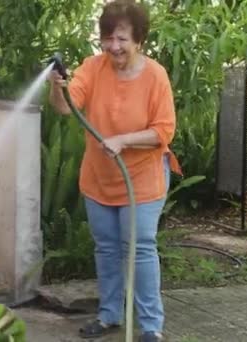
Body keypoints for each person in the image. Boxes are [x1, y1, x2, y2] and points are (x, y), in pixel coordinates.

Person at [48, 1, 182, 341]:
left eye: (122, 39)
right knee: (106, 248)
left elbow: (163, 130)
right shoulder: (93, 68)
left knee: (139, 248)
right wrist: (56, 85)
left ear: (139, 40)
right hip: (99, 177)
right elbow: (65, 108)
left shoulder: (155, 76)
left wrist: (123, 140)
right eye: (108, 38)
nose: (114, 47)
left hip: (143, 177)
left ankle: (152, 326)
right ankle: (109, 315)